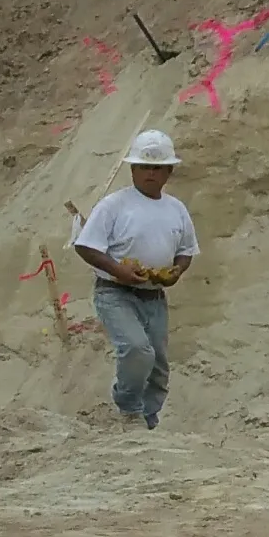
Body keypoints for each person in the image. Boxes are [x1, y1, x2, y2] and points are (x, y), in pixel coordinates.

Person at [71, 130, 198, 429]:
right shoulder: (113, 206)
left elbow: (186, 250)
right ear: (132, 170)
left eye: (157, 168)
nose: (150, 173)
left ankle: (147, 420)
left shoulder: (176, 209)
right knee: (136, 349)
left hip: (154, 295)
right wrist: (118, 270)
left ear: (169, 172)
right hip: (116, 292)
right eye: (143, 167)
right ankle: (128, 408)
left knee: (158, 365)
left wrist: (177, 271)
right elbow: (85, 246)